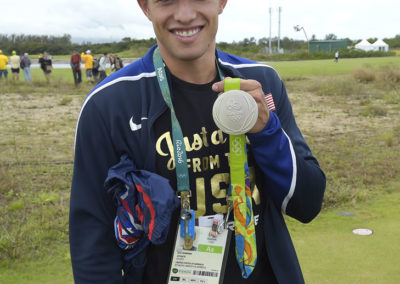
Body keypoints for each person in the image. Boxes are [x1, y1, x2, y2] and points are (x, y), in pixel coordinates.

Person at [70, 1, 326, 284]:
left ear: (221, 2)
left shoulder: (262, 82)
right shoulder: (109, 105)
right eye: (167, 0)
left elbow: (307, 203)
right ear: (145, 7)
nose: (185, 15)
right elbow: (92, 243)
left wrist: (267, 131)